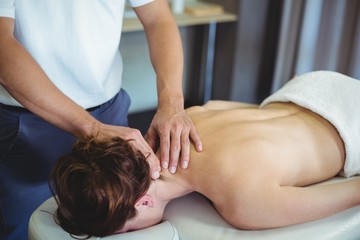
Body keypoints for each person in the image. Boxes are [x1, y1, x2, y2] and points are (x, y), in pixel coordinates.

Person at [50, 71, 360, 237]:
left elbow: (354, 192)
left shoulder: (243, 203)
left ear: (143, 201)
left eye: (128, 229)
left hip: (353, 123)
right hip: (309, 88)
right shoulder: (181, 122)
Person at [0, 0, 203, 239]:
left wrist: (172, 104)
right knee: (32, 229)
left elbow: (158, 18)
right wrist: (91, 128)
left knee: (115, 226)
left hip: (109, 110)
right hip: (30, 116)